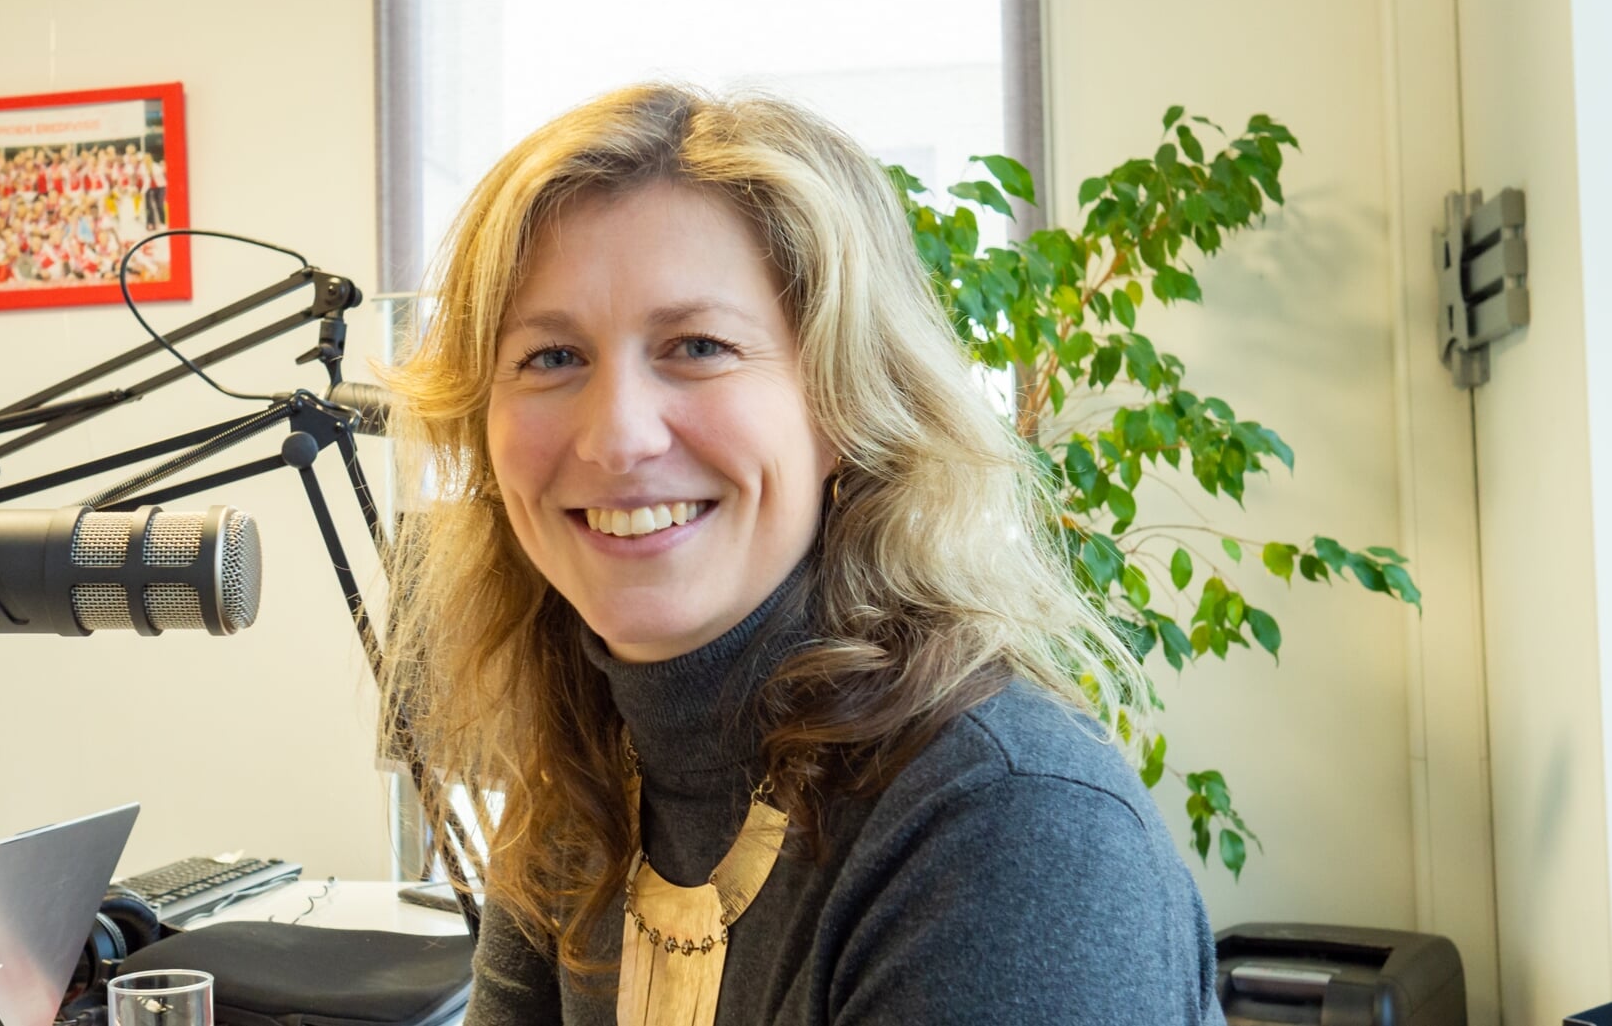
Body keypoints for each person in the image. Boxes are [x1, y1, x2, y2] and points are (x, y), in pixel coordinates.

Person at [383, 83, 1226, 1025]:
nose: (616, 439)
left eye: (697, 345)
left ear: (842, 408)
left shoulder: (1012, 830)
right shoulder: (586, 770)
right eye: (550, 357)